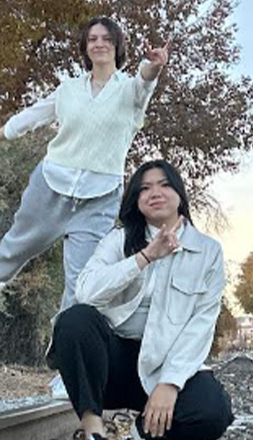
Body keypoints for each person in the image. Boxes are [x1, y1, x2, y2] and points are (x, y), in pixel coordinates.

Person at [0, 16, 169, 323]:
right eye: (92, 39)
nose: (99, 43)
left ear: (117, 47)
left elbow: (145, 80)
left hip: (99, 198)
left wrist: (154, 65)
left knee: (83, 282)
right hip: (51, 183)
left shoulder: (130, 92)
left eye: (107, 39)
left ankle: (64, 354)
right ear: (85, 48)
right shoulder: (68, 90)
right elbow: (28, 118)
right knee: (18, 244)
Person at [50, 160, 234, 440]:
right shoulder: (118, 240)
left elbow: (202, 323)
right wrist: (144, 257)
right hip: (112, 366)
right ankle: (92, 431)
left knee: (212, 410)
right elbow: (85, 292)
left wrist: (170, 383)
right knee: (74, 320)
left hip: (165, 363)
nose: (155, 193)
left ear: (179, 196)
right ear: (136, 200)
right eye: (145, 188)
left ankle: (136, 435)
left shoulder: (207, 251)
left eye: (164, 185)